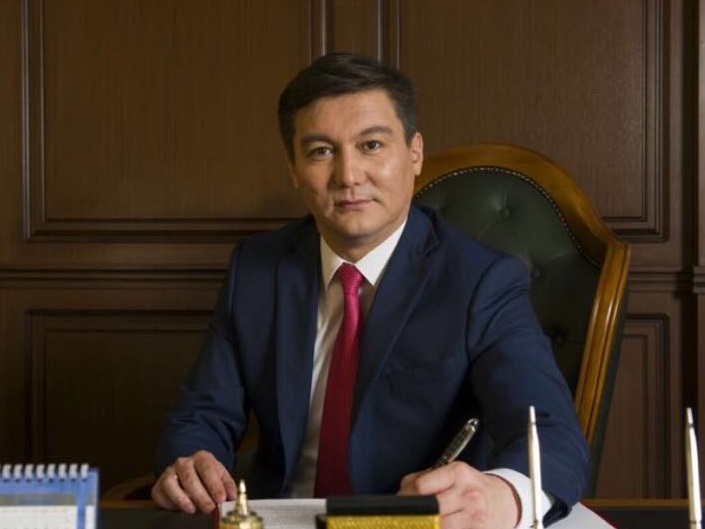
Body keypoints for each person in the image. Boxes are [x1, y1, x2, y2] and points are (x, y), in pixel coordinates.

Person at [151, 52, 589, 529]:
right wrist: (192, 461)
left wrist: (503, 497)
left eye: (372, 145)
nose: (348, 176)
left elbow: (551, 434)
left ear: (414, 153)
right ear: (293, 168)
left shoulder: (482, 280)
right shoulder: (256, 269)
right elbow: (202, 415)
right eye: (321, 152)